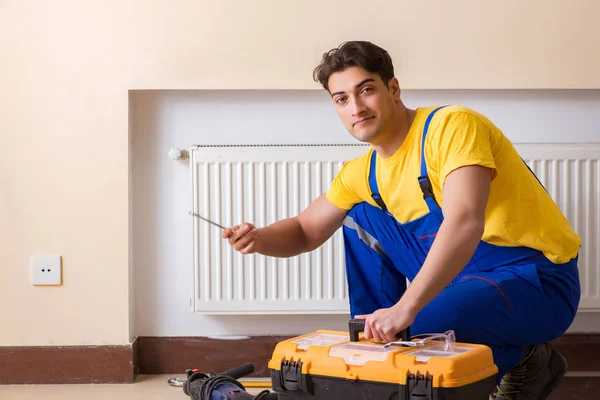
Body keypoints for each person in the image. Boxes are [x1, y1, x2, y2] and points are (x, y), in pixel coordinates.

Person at [222, 41, 581, 399]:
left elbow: (465, 221)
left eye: (366, 90)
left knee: (421, 326)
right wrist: (259, 238)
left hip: (535, 281)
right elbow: (303, 231)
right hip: (462, 277)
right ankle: (380, 358)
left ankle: (528, 359)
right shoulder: (363, 173)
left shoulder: (452, 127)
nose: (356, 108)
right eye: (342, 98)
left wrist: (407, 309)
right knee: (360, 215)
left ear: (392, 89)